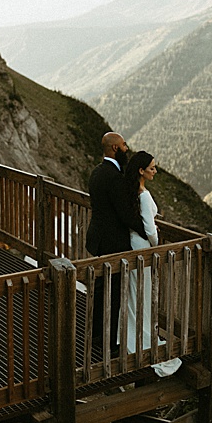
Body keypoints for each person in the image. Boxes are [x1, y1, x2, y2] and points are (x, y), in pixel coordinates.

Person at [85, 132, 146, 362]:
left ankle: (96, 337)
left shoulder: (97, 172)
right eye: (123, 145)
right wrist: (148, 231)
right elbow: (125, 214)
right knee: (113, 294)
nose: (127, 148)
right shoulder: (114, 177)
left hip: (99, 239)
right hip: (113, 243)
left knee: (101, 290)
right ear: (114, 149)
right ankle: (108, 345)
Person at [121, 152, 179, 377]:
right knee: (141, 296)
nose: (155, 171)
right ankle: (141, 338)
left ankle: (131, 335)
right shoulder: (144, 196)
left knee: (134, 294)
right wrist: (157, 245)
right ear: (141, 171)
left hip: (133, 243)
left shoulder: (131, 191)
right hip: (143, 246)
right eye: (152, 168)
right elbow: (149, 228)